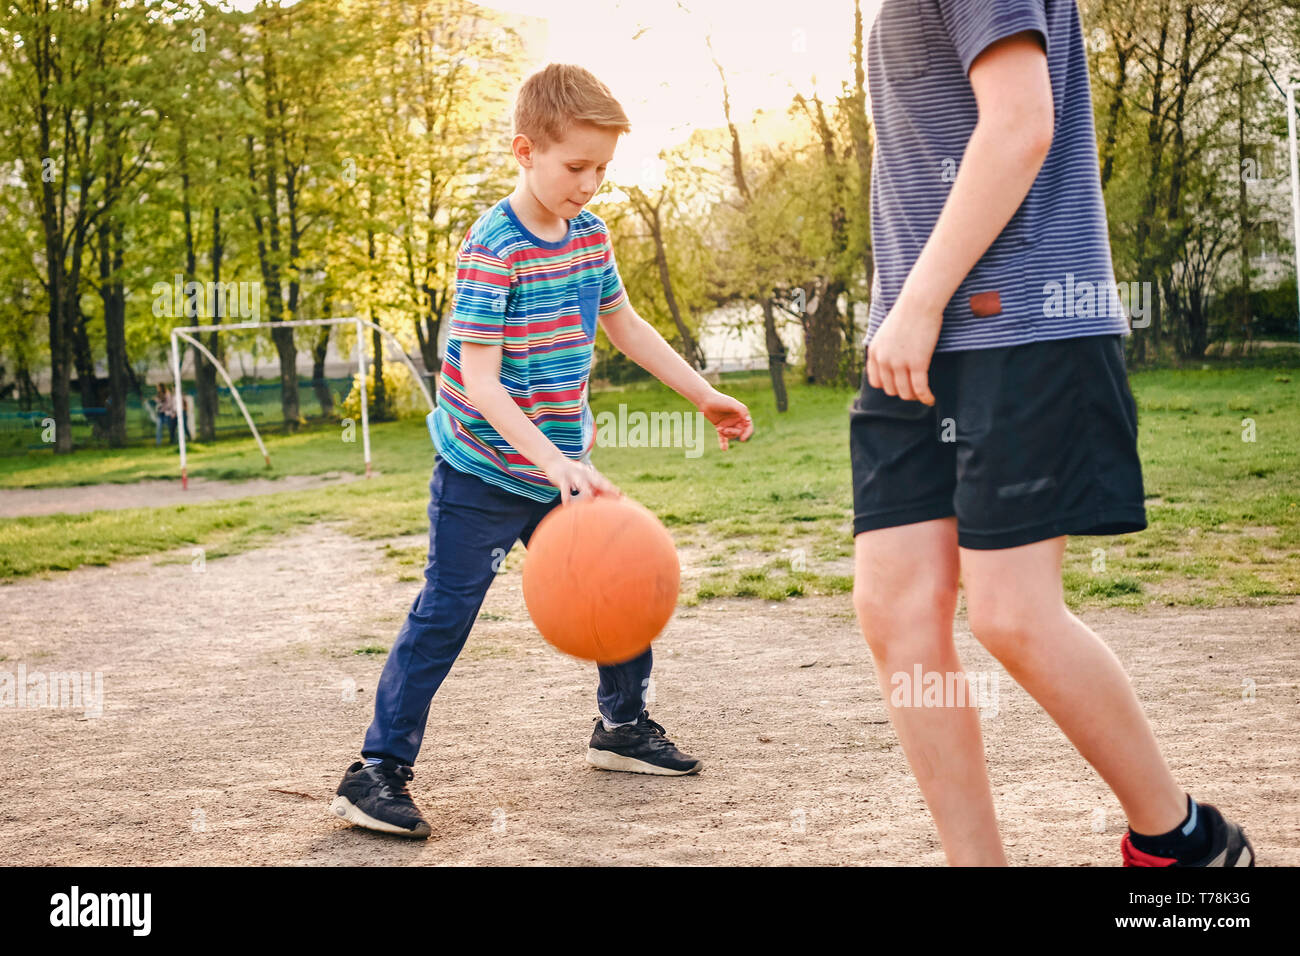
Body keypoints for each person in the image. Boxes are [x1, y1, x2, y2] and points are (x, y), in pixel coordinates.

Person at [851, 0, 1253, 866]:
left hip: (1023, 321)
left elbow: (1023, 121)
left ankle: (1183, 843)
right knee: (896, 609)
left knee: (1013, 613)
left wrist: (918, 304)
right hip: (912, 337)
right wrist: (907, 310)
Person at [332, 63, 755, 839]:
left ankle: (621, 728)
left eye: (602, 169)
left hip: (562, 463)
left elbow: (626, 327)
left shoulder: (590, 235)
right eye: (576, 166)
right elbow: (482, 382)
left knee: (621, 581)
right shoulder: (493, 246)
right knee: (446, 613)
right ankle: (375, 772)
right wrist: (550, 462)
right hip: (484, 470)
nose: (590, 184)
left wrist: (704, 394)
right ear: (526, 151)